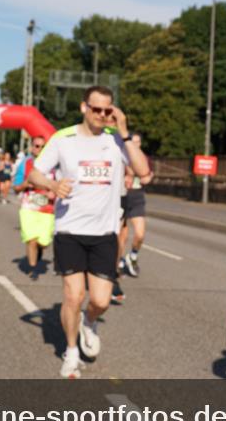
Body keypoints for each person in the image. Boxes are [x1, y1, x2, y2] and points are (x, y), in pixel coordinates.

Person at [26, 86, 149, 378]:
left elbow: (142, 170)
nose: (102, 115)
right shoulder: (63, 139)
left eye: (108, 110)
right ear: (84, 108)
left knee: (101, 301)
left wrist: (125, 131)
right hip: (70, 229)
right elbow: (34, 173)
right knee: (73, 295)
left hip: (104, 232)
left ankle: (89, 322)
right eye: (96, 109)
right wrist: (53, 185)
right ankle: (70, 352)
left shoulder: (116, 140)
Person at [13, 136, 54, 280]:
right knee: (31, 239)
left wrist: (53, 191)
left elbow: (62, 184)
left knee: (43, 242)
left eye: (43, 147)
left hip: (48, 208)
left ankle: (39, 252)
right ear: (31, 148)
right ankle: (33, 269)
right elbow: (16, 187)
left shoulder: (55, 165)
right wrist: (25, 185)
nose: (40, 149)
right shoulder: (25, 164)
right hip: (29, 207)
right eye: (37, 146)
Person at [118, 133, 153, 278]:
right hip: (123, 197)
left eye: (138, 142)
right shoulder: (122, 156)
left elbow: (148, 175)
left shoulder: (144, 159)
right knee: (122, 236)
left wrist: (148, 177)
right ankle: (118, 261)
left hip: (137, 198)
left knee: (140, 233)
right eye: (134, 142)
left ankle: (132, 256)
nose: (136, 145)